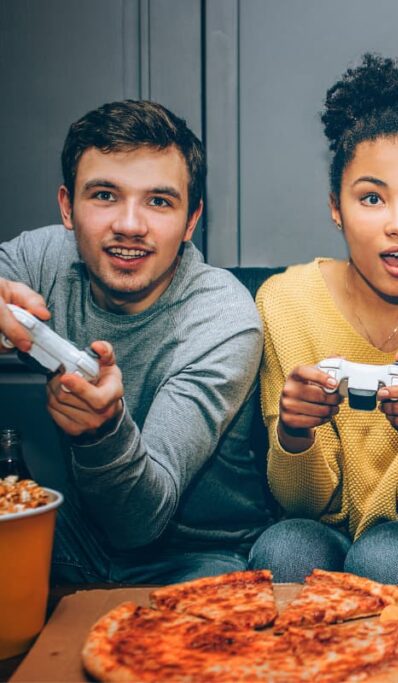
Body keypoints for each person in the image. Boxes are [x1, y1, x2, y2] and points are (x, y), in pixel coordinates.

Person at [0, 100, 274, 583]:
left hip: (199, 555)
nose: (130, 224)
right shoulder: (42, 257)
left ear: (191, 221)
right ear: (67, 207)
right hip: (77, 536)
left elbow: (140, 522)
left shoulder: (222, 316)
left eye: (159, 201)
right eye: (105, 195)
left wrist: (103, 432)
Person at [248, 54, 398, 584]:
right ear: (336, 206)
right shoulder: (285, 302)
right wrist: (293, 433)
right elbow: (301, 502)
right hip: (315, 523)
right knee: (285, 546)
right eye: (372, 198)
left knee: (387, 555)